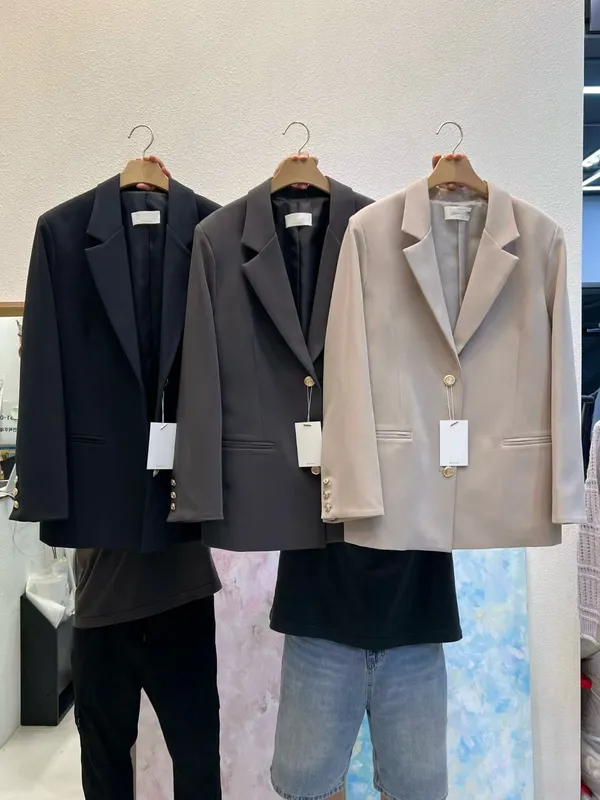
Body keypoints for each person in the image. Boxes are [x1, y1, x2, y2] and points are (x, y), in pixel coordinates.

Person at [269, 156, 466, 800]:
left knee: (417, 788)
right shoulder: (296, 305)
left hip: (415, 604)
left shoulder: (415, 288)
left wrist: (447, 208)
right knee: (306, 784)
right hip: (320, 601)